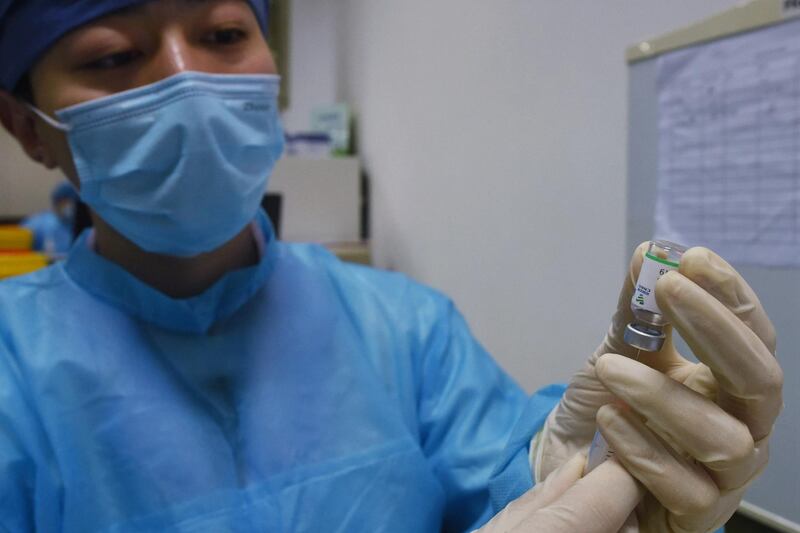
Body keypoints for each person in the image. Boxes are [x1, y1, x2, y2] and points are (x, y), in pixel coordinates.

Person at [0, 1, 783, 532]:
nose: (184, 80)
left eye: (223, 35)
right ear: (28, 129)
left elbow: (505, 479)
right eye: (113, 56)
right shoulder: (15, 372)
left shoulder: (402, 325)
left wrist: (579, 470)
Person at [20, 180, 79, 255]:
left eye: (73, 201)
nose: (69, 206)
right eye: (64, 201)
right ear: (56, 202)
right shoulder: (38, 224)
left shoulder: (84, 225)